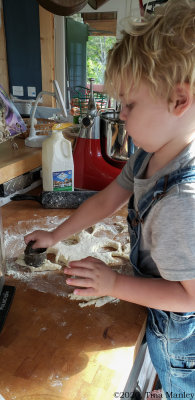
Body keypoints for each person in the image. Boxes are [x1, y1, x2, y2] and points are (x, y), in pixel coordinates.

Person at [25, 0, 195, 395]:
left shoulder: (181, 203)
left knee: (179, 387)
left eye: (130, 104)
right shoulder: (150, 153)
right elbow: (107, 199)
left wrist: (114, 283)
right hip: (160, 309)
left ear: (179, 100)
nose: (121, 115)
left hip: (181, 343)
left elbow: (189, 299)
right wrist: (55, 235)